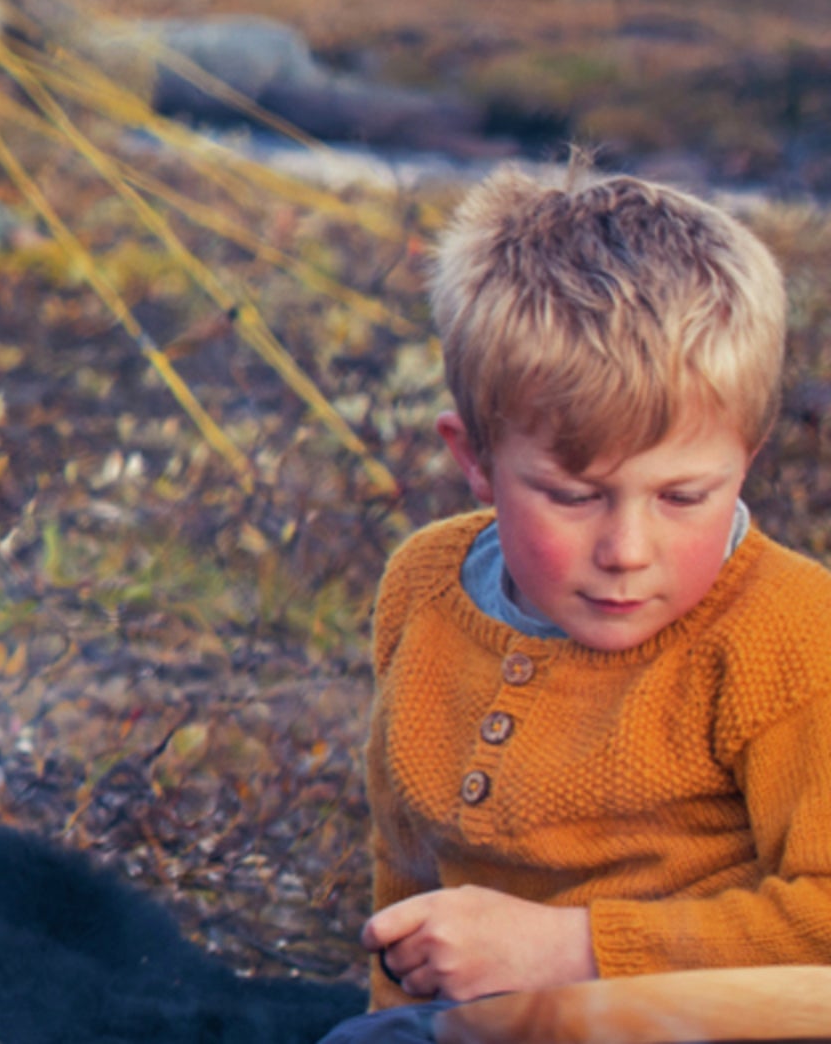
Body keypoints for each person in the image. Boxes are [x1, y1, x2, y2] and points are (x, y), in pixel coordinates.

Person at [331, 167, 831, 1042]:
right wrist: (399, 1009)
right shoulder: (424, 586)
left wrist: (574, 949)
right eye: (573, 496)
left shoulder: (789, 631)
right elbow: (406, 868)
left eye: (683, 498)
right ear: (476, 458)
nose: (628, 551)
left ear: (745, 458)